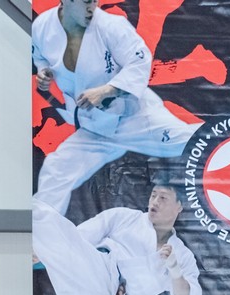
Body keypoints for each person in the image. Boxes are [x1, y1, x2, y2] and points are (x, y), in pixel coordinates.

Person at [32, 0, 201, 214]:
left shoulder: (111, 26)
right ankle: (45, 232)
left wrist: (107, 90)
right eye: (86, 2)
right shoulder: (42, 26)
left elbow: (139, 61)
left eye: (94, 1)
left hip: (135, 117)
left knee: (191, 140)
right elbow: (40, 55)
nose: (92, 7)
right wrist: (44, 72)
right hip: (95, 127)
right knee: (56, 171)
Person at [32, 178, 201, 295]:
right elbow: (79, 238)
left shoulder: (182, 255)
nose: (155, 202)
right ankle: (20, 205)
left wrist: (175, 270)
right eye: (153, 195)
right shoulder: (125, 217)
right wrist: (43, 251)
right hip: (98, 267)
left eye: (163, 198)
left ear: (179, 206)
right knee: (49, 223)